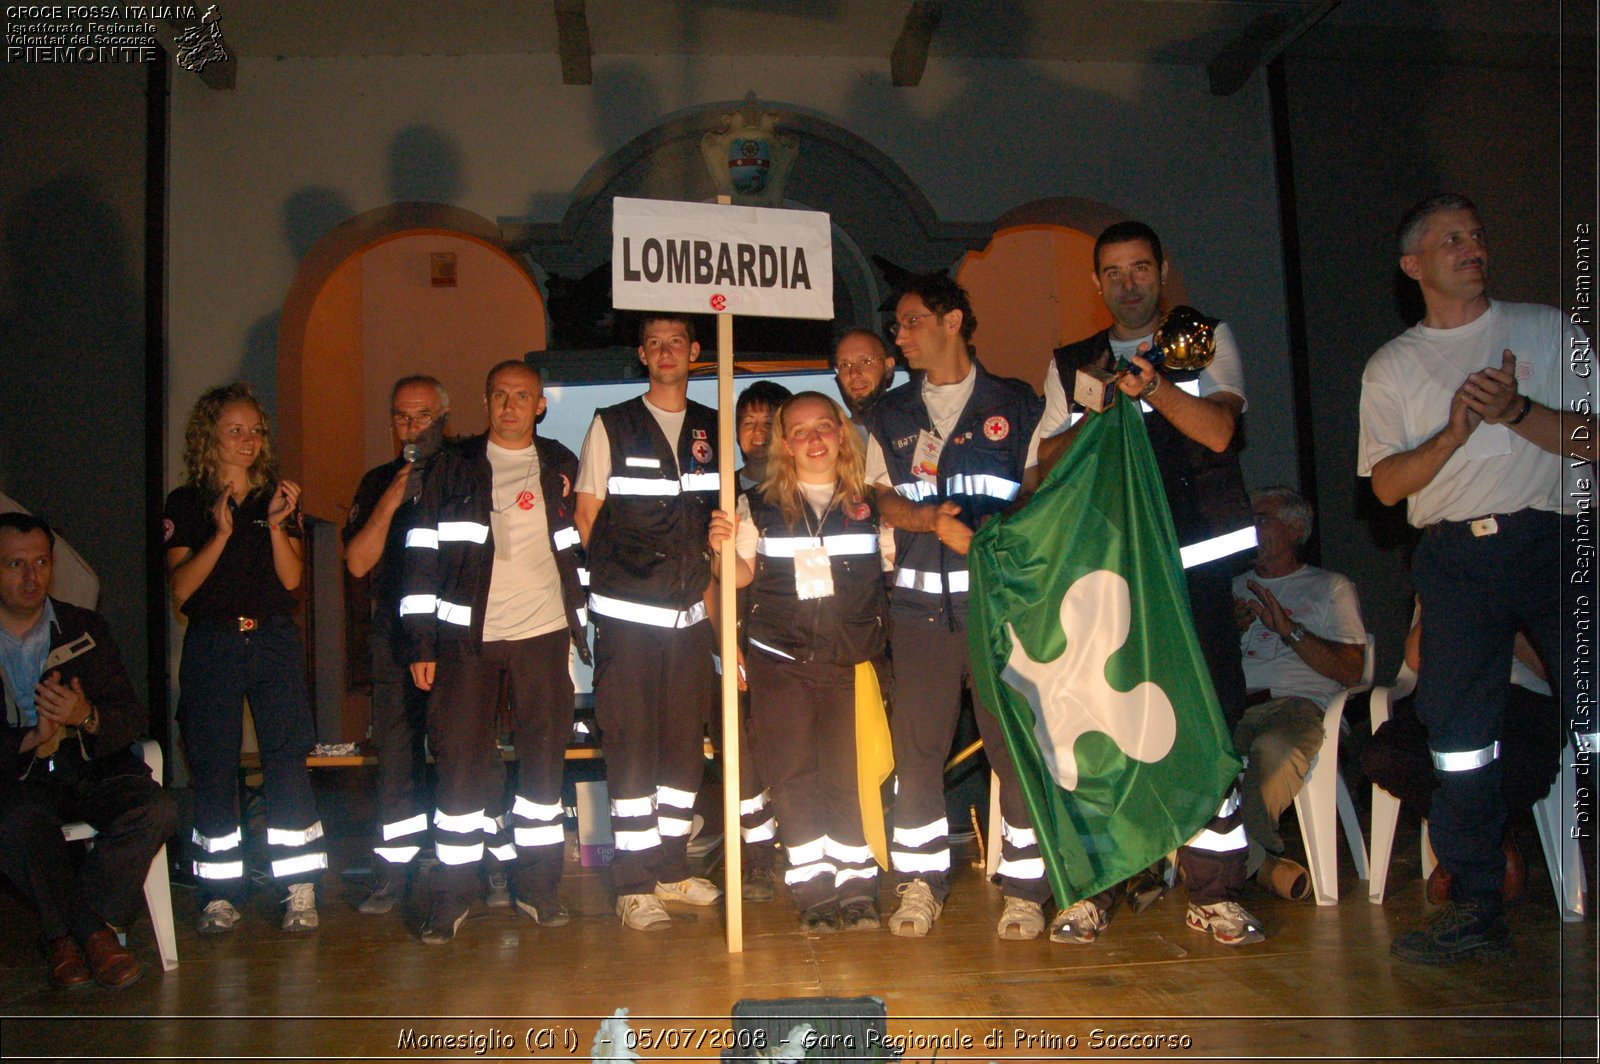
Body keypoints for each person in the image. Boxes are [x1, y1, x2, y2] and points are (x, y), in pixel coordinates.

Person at [1357, 193, 1593, 965]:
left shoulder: (1548, 329)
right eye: (1451, 238)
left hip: (1553, 538)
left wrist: (1519, 410)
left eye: (1477, 235)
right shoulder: (1392, 365)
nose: (1473, 246)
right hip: (1456, 559)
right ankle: (1476, 902)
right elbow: (1386, 487)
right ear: (1412, 265)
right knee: (1458, 742)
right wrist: (1454, 432)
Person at [1040, 220, 1264, 946]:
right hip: (1111, 573)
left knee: (1206, 725)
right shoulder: (1073, 360)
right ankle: (1099, 886)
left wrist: (1155, 387)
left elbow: (1219, 432)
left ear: (1162, 271)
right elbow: (1046, 465)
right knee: (1102, 729)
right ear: (1095, 282)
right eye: (1114, 271)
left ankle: (1216, 891)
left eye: (1141, 268)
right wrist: (1100, 407)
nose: (1129, 282)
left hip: (1194, 572)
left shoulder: (1205, 338)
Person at [858, 272, 1049, 940]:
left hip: (998, 609)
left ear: (954, 321)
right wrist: (915, 516)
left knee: (1011, 746)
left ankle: (1027, 887)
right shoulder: (887, 413)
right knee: (918, 751)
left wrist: (986, 538)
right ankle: (920, 882)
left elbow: (1041, 499)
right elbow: (876, 496)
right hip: (915, 612)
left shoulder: (1019, 404)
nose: (900, 337)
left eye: (911, 322)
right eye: (897, 326)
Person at [400, 361, 591, 944]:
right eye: (501, 395)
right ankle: (450, 899)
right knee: (459, 767)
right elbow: (420, 553)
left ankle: (539, 889)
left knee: (543, 765)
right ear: (487, 402)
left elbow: (579, 544)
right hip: (467, 643)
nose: (511, 405)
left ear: (539, 405)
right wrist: (421, 640)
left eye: (523, 396)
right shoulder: (450, 467)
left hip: (543, 636)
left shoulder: (560, 462)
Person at [709, 391, 887, 932]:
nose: (814, 439)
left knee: (847, 776)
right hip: (779, 662)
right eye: (801, 430)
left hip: (850, 662)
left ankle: (856, 884)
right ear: (785, 444)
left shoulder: (872, 506)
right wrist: (720, 548)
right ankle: (812, 886)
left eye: (824, 427)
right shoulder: (756, 505)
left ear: (841, 434)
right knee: (793, 776)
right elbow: (737, 576)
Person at [575, 313, 724, 931]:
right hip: (630, 623)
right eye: (655, 343)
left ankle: (669, 869)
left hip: (689, 622)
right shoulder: (611, 423)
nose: (667, 352)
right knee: (632, 751)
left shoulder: (712, 428)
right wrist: (624, 587)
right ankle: (633, 884)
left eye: (677, 342)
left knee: (683, 751)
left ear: (694, 352)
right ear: (643, 354)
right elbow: (587, 517)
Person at [163, 382, 326, 934]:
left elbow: (292, 579)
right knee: (213, 763)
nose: (249, 440)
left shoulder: (277, 498)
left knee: (286, 759)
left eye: (256, 430)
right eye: (235, 430)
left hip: (274, 639)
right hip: (214, 642)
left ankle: (298, 890)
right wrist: (221, 534)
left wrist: (278, 524)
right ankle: (218, 893)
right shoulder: (188, 503)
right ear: (210, 436)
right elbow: (182, 589)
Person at [0, 513, 177, 990]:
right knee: (16, 821)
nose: (31, 577)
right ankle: (94, 936)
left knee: (157, 807)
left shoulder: (83, 628)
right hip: (21, 781)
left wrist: (86, 716)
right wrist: (29, 740)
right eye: (15, 564)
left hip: (90, 770)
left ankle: (67, 936)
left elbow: (131, 715)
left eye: (40, 562)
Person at [342, 375, 448, 915]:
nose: (412, 428)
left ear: (443, 419)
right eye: (402, 417)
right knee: (398, 756)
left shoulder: (465, 471)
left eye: (423, 416)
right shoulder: (376, 481)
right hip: (393, 639)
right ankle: (393, 874)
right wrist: (393, 495)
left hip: (455, 635)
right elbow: (358, 561)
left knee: (466, 754)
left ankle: (483, 870)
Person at [1232, 486, 1367, 897]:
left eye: (1262, 519)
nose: (1250, 528)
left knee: (1275, 750)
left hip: (1296, 706)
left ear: (1294, 528)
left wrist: (1288, 630)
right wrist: (1226, 635)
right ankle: (1260, 864)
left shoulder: (1329, 587)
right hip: (1233, 705)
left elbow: (1350, 671)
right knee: (1183, 752)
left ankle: (1226, 862)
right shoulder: (1230, 587)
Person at [730, 380, 791, 901]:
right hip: (739, 638)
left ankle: (802, 846)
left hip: (800, 641)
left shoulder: (810, 488)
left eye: (768, 422)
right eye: (747, 423)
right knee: (744, 752)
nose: (757, 433)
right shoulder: (721, 492)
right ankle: (755, 856)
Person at [833, 329, 897, 420]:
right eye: (845, 365)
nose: (854, 373)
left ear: (888, 366)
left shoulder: (915, 426)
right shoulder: (837, 433)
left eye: (865, 361)